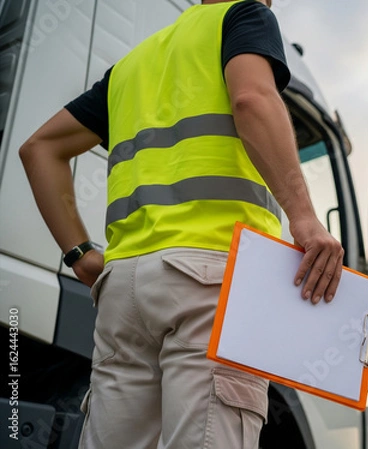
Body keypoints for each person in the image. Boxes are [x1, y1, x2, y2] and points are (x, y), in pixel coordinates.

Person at [19, 0, 344, 447]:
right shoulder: (245, 17)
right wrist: (306, 220)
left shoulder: (131, 66)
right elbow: (251, 98)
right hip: (213, 281)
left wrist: (80, 255)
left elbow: (40, 148)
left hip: (124, 290)